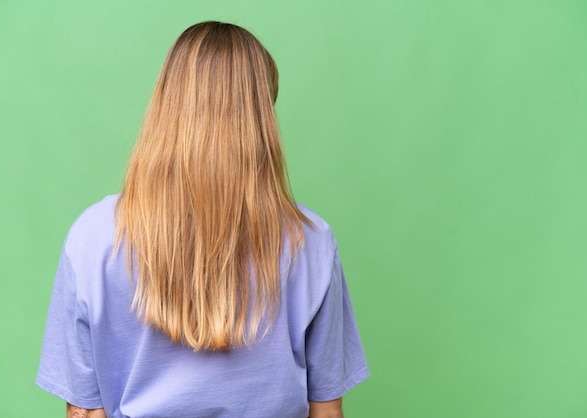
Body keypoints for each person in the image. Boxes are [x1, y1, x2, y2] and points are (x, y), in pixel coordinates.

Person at [37, 21, 369, 418]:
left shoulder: (94, 236)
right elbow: (326, 411)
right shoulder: (309, 241)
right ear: (261, 120)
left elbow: (85, 413)